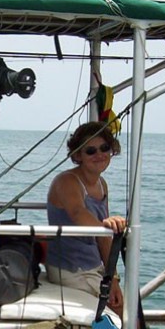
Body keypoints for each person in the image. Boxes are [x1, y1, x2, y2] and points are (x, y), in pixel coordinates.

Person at [45, 121, 127, 314]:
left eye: (104, 148)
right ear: (78, 155)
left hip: (92, 266)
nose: (99, 154)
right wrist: (104, 226)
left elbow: (105, 240)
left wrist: (113, 278)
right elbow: (77, 212)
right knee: (117, 310)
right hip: (71, 268)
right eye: (90, 151)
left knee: (122, 303)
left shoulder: (102, 184)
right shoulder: (66, 181)